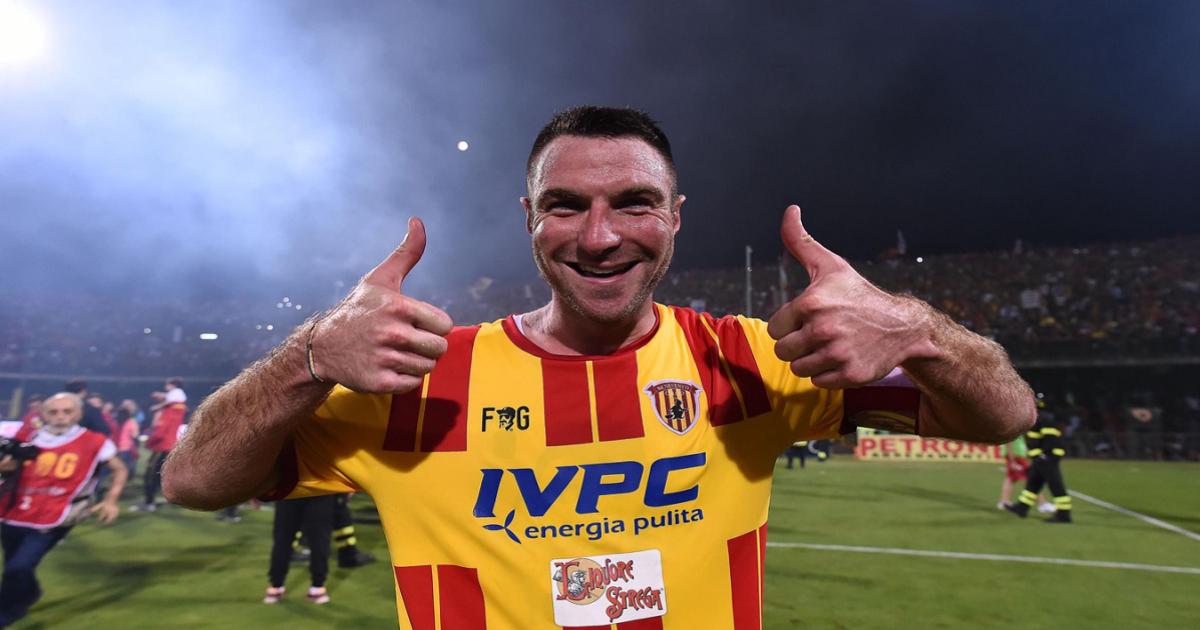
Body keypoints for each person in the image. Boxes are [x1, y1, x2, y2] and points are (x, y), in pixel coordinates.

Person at [164, 106, 1035, 628]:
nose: (600, 235)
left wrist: (918, 328)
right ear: (529, 219)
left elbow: (1004, 416)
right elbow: (193, 481)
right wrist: (310, 353)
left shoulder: (752, 360)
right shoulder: (423, 382)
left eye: (634, 203)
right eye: (565, 206)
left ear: (676, 216)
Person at [0, 393, 127, 627]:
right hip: (13, 511)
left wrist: (111, 499)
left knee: (18, 567)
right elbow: (8, 470)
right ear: (44, 414)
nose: (60, 417)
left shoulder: (95, 441)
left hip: (56, 515)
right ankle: (30, 592)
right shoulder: (28, 437)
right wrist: (6, 467)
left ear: (78, 414)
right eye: (54, 412)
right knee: (13, 565)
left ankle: (9, 610)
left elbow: (119, 469)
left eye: (67, 411)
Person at [1006, 401, 1073, 523]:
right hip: (1041, 458)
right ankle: (1022, 508)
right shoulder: (1039, 419)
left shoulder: (1043, 420)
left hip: (1047, 458)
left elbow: (1051, 439)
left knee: (1055, 485)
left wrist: (1045, 455)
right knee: (1033, 483)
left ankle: (1064, 515)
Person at [263, 495, 336, 605]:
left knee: (283, 539)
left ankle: (276, 587)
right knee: (319, 539)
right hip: (320, 493)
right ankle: (317, 588)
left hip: (288, 493)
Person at [136, 379, 187, 512]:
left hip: (162, 446)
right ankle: (160, 499)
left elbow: (160, 433)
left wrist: (149, 443)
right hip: (171, 447)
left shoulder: (169, 411)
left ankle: (149, 502)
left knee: (150, 475)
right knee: (161, 475)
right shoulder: (179, 409)